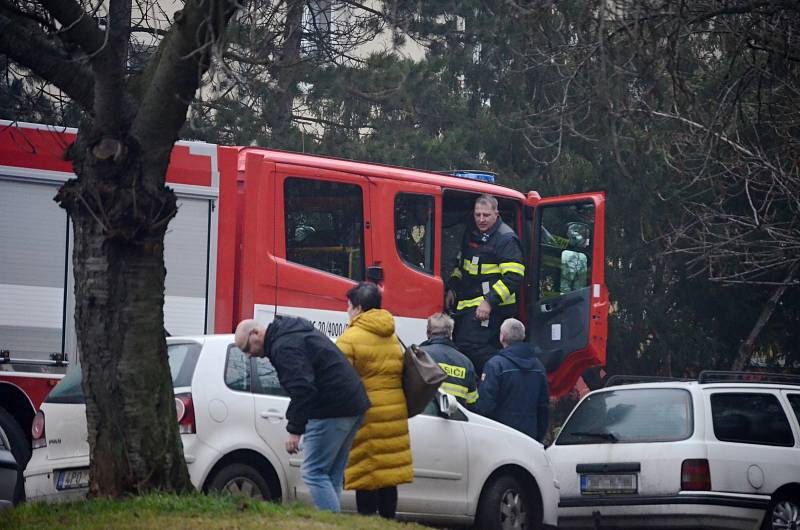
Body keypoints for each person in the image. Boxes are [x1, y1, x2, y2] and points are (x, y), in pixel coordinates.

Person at [234, 316, 370, 512]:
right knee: (330, 473)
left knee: (313, 471)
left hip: (331, 407)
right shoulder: (292, 332)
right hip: (353, 402)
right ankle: (330, 521)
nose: (248, 355)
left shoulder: (284, 347)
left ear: (256, 333)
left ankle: (329, 523)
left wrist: (294, 430)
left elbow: (303, 389)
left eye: (247, 347)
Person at [336, 282, 413, 519]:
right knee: (388, 474)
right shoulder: (390, 334)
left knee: (366, 473)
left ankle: (367, 521)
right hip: (394, 414)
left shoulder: (351, 338)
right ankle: (389, 521)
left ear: (358, 308)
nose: (347, 311)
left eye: (349, 306)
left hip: (367, 415)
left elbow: (338, 379)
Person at [446, 194, 525, 375]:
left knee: (472, 346)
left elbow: (514, 276)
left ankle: (508, 374)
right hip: (469, 305)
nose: (481, 219)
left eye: (486, 215)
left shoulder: (506, 239)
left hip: (494, 309)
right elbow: (462, 266)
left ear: (496, 214)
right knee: (463, 345)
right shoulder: (472, 233)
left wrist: (489, 301)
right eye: (477, 214)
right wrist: (453, 287)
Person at [473, 318, 550, 442]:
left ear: (502, 337)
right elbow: (543, 406)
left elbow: (485, 405)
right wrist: (538, 436)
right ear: (523, 336)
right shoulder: (538, 366)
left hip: (501, 435)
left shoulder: (495, 365)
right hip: (529, 436)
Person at [418, 312, 479, 406]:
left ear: (428, 332)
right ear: (450, 333)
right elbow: (472, 401)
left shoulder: (418, 355)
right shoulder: (466, 362)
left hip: (425, 415)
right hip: (455, 417)